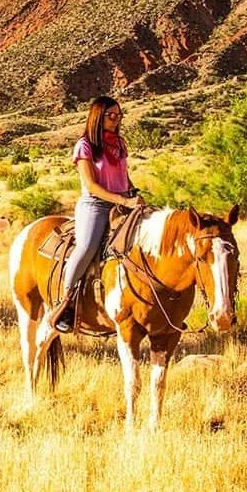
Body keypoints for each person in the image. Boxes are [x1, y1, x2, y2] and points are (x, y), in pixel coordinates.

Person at [54, 96, 144, 333]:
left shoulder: (119, 144)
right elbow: (92, 185)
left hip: (121, 203)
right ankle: (66, 302)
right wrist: (124, 199)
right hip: (95, 205)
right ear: (97, 116)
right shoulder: (85, 145)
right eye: (110, 115)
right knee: (86, 248)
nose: (116, 119)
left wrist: (132, 192)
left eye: (119, 115)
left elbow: (122, 174)